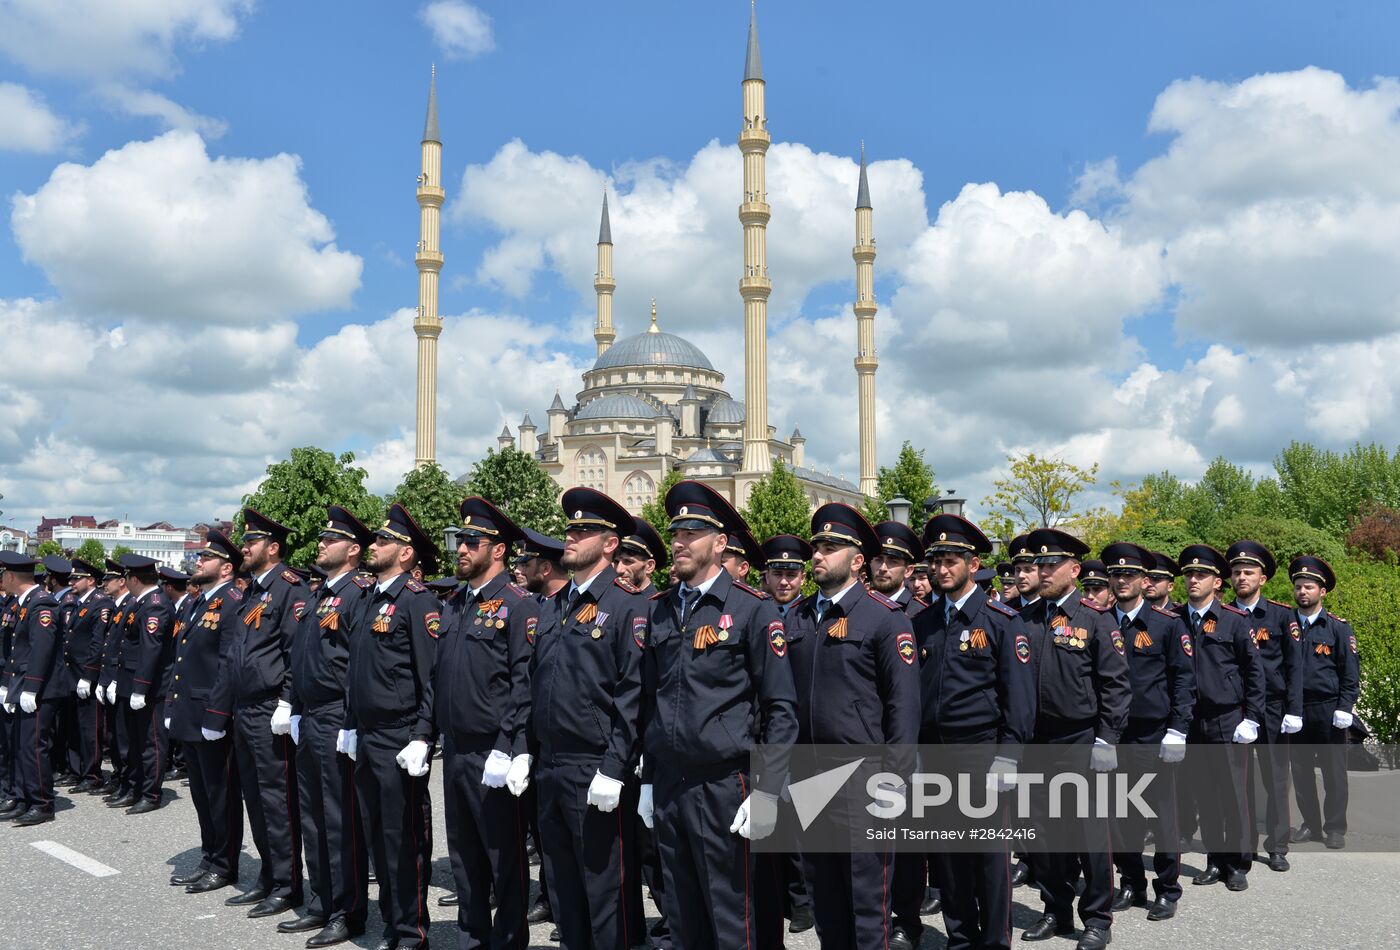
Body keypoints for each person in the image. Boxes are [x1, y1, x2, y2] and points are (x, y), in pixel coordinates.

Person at [638, 481, 798, 950]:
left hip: (726, 784)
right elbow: (653, 698)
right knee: (682, 913)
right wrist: (648, 778)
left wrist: (768, 789)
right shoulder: (662, 611)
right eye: (676, 533)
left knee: (733, 916)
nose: (680, 542)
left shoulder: (751, 610)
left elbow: (780, 709)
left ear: (719, 543)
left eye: (692, 532)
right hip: (670, 784)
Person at [785, 503, 920, 950]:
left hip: (864, 778)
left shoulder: (884, 617)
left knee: (867, 899)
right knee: (825, 897)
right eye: (816, 547)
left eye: (829, 547)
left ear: (857, 560)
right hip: (809, 777)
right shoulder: (798, 617)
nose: (817, 556)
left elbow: (903, 705)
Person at [528, 487, 646, 950]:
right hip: (551, 765)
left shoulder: (628, 605)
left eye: (583, 531)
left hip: (595, 768)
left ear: (610, 543)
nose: (570, 538)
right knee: (563, 887)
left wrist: (614, 769)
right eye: (570, 530)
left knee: (605, 891)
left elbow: (632, 695)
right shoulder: (554, 605)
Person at [910, 514, 1034, 950]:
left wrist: (1009, 756)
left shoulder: (1001, 621)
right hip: (934, 757)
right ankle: (960, 937)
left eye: (951, 561)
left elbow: (1019, 699)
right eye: (936, 562)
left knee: (988, 861)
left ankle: (995, 941)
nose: (942, 570)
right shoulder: (922, 622)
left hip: (982, 754)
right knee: (948, 860)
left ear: (972, 563)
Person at [431, 497, 540, 950]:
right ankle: (472, 937)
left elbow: (524, 681)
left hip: (493, 751)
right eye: (459, 540)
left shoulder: (518, 605)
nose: (461, 548)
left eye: (471, 541)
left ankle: (509, 940)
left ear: (497, 550)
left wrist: (508, 745)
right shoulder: (455, 602)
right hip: (455, 748)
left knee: (504, 858)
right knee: (464, 856)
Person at [1018, 528, 1130, 950]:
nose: (1043, 572)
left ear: (1074, 569)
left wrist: (1107, 740)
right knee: (1042, 834)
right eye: (1039, 564)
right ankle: (1056, 908)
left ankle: (1097, 918)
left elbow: (1116, 685)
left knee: (1088, 835)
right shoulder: (1022, 619)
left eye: (1052, 565)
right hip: (1034, 742)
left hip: (1080, 740)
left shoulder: (1094, 620)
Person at [344, 502, 440, 950]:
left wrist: (423, 735)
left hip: (400, 737)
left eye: (383, 541)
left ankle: (411, 932)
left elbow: (431, 677)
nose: (373, 546)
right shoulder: (368, 599)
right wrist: (349, 723)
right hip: (367, 734)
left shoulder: (417, 602)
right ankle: (390, 924)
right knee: (377, 840)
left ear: (405, 554)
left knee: (403, 841)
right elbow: (356, 670)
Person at [285, 507, 376, 946]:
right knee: (313, 815)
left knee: (341, 820)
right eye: (321, 539)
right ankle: (321, 901)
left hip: (338, 716)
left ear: (353, 550)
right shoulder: (322, 593)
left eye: (330, 540)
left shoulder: (359, 593)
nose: (321, 544)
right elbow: (306, 657)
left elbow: (357, 664)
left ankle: (347, 909)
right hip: (312, 714)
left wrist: (350, 721)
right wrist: (296, 705)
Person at [1101, 541, 1195, 923]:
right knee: (1121, 814)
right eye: (1115, 575)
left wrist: (1178, 730)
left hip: (1154, 734)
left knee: (1162, 815)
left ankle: (1168, 888)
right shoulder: (1101, 620)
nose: (1121, 580)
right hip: (1114, 735)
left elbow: (1184, 681)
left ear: (1144, 580)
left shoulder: (1167, 624)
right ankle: (1132, 882)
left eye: (1129, 575)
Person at [223, 508, 305, 919]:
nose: (244, 547)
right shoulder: (251, 591)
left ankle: (288, 884)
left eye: (251, 542)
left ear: (272, 548)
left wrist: (287, 701)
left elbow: (295, 653)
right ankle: (269, 875)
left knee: (277, 799)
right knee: (254, 797)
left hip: (270, 707)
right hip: (244, 707)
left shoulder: (291, 589)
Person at [1176, 544, 1264, 893]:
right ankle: (1214, 859)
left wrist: (1252, 718)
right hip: (1193, 719)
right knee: (1205, 794)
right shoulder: (1176, 620)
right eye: (1189, 575)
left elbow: (1255, 672)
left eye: (1201, 575)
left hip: (1229, 718)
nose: (1193, 580)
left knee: (1233, 794)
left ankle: (1237, 863)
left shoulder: (1233, 620)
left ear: (1217, 582)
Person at [167, 530, 247, 895]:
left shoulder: (232, 602)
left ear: (226, 568)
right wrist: (172, 704)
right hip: (190, 712)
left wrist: (217, 716)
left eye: (206, 558)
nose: (199, 562)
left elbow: (229, 664)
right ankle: (209, 855)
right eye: (200, 558)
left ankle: (224, 864)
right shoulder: (196, 603)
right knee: (201, 793)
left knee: (221, 794)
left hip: (212, 716)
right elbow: (181, 659)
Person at [1226, 540, 1303, 872]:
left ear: (1263, 578)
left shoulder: (1282, 615)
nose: (1242, 577)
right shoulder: (1223, 614)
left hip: (1272, 708)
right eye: (1237, 572)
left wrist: (1294, 709)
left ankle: (1277, 845)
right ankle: (1241, 849)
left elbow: (1295, 667)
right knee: (1237, 782)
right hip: (1237, 710)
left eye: (1249, 572)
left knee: (1275, 780)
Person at [755, 534, 816, 940]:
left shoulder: (808, 615)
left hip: (802, 734)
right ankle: (775, 897)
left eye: (792, 574)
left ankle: (803, 900)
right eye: (778, 573)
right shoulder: (756, 612)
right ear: (766, 576)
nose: (785, 581)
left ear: (803, 577)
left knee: (800, 824)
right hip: (762, 733)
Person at [1287, 555, 1358, 851]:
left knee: (1334, 775)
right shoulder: (1286, 625)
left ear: (1322, 592)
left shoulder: (1338, 629)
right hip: (1297, 711)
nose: (1303, 592)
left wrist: (1345, 707)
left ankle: (1335, 827)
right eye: (1299, 587)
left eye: (1309, 587)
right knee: (1301, 773)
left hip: (1329, 710)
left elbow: (1350, 673)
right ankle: (1311, 825)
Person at [0, 550, 63, 825]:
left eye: (3, 574)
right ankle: (24, 797)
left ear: (11, 576)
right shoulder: (24, 603)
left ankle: (42, 803)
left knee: (33, 746)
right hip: (22, 684)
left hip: (41, 689)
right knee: (20, 746)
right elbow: (18, 650)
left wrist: (31, 688)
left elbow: (41, 649)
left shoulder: (42, 604)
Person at [113, 553, 175, 815]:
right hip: (132, 682)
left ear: (134, 578)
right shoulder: (141, 602)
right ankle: (136, 787)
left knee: (151, 743)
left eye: (127, 577)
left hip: (149, 687)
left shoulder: (156, 604)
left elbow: (151, 649)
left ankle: (151, 793)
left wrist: (140, 687)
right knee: (134, 741)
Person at [65, 558, 114, 793]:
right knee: (74, 724)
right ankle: (77, 771)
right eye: (72, 578)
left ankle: (92, 773)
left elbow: (98, 642)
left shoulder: (101, 603)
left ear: (91, 580)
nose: (72, 582)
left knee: (90, 726)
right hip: (72, 673)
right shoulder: (79, 602)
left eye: (77, 578)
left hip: (87, 675)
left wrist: (89, 675)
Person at [870, 520, 926, 618]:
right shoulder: (859, 606)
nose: (883, 568)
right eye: (878, 560)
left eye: (892, 561)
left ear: (908, 571)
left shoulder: (920, 614)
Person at [616, 519, 667, 592]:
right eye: (616, 562)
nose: (619, 570)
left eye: (628, 561)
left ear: (649, 566)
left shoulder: (658, 603)